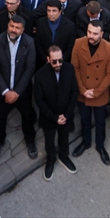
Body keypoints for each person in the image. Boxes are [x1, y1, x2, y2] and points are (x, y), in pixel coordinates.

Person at [0, 14, 37, 160]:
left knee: (27, 117)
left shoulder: (29, 42)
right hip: (2, 92)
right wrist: (6, 92)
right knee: (0, 119)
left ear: (23, 30)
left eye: (17, 28)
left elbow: (30, 68)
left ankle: (30, 141)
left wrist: (16, 92)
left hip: (22, 92)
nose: (13, 30)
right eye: (11, 26)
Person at [32, 45, 79, 181]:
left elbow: (74, 92)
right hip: (49, 118)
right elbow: (39, 100)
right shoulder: (40, 75)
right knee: (49, 141)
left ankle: (64, 156)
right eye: (54, 61)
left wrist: (67, 114)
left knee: (64, 138)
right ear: (48, 59)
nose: (58, 64)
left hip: (65, 115)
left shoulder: (69, 69)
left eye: (60, 60)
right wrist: (54, 117)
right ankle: (51, 160)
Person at [71, 22, 110, 165]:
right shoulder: (78, 43)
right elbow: (75, 68)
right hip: (83, 91)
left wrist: (96, 92)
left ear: (102, 34)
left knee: (100, 122)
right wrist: (83, 90)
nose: (91, 36)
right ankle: (86, 142)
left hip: (99, 93)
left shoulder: (109, 49)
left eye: (95, 33)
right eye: (89, 32)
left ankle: (100, 146)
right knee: (84, 119)